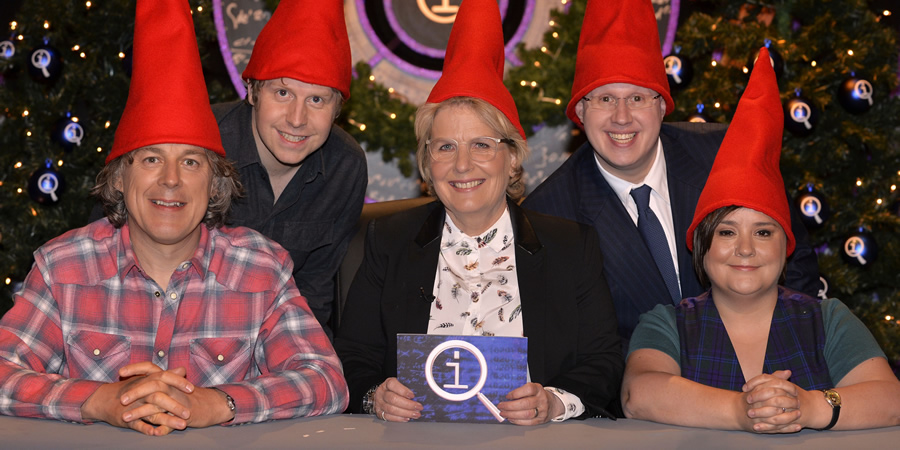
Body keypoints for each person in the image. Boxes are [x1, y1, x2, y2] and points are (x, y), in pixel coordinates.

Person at [0, 0, 347, 435]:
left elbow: (327, 382)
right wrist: (98, 398)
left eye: (190, 163)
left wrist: (218, 403)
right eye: (150, 160)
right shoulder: (64, 266)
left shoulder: (261, 269)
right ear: (120, 180)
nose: (170, 181)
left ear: (214, 185)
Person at [334, 0, 623, 425]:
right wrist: (374, 395)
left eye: (482, 145)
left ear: (512, 159)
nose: (462, 165)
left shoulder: (570, 246)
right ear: (427, 163)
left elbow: (604, 361)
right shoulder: (388, 241)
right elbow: (353, 355)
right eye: (445, 147)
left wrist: (554, 402)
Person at [621, 48, 900, 433]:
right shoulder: (666, 323)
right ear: (702, 248)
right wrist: (743, 410)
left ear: (785, 247)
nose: (746, 248)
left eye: (763, 232)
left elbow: (891, 400)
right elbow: (639, 395)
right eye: (727, 232)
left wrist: (811, 406)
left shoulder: (828, 319)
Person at [522, 0, 820, 345]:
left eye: (637, 98)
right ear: (580, 111)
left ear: (662, 106)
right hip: (634, 393)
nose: (621, 117)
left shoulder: (725, 154)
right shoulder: (547, 216)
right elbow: (572, 347)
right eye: (604, 99)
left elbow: (794, 267)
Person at [212, 0, 367, 336]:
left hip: (277, 342)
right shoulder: (199, 144)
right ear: (252, 91)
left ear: (337, 108)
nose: (297, 120)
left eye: (317, 100)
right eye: (282, 92)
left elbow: (315, 289)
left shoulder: (345, 167)